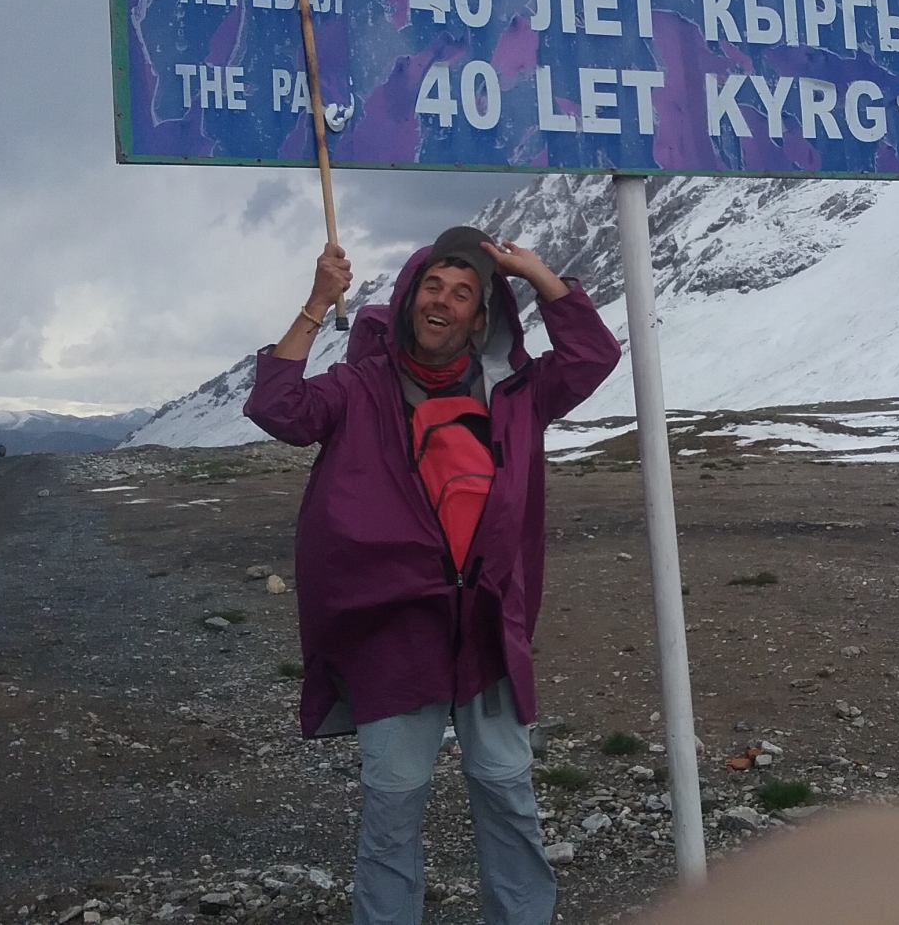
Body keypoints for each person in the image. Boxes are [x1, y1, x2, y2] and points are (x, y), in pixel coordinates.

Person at [245, 227, 621, 925]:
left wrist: (537, 273)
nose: (441, 302)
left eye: (462, 292)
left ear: (482, 318)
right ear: (410, 296)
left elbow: (594, 354)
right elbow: (279, 409)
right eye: (432, 287)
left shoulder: (516, 392)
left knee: (508, 790)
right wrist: (317, 300)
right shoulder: (360, 386)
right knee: (393, 804)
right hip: (395, 633)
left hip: (487, 630)